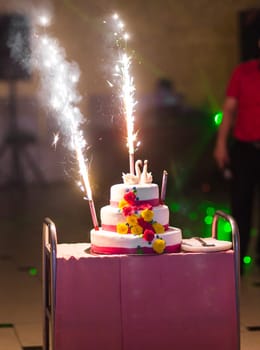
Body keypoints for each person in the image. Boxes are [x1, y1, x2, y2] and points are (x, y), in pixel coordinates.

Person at [214, 39, 260, 273]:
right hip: (245, 148)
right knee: (240, 205)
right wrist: (221, 144)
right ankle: (236, 265)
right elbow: (229, 109)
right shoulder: (243, 72)